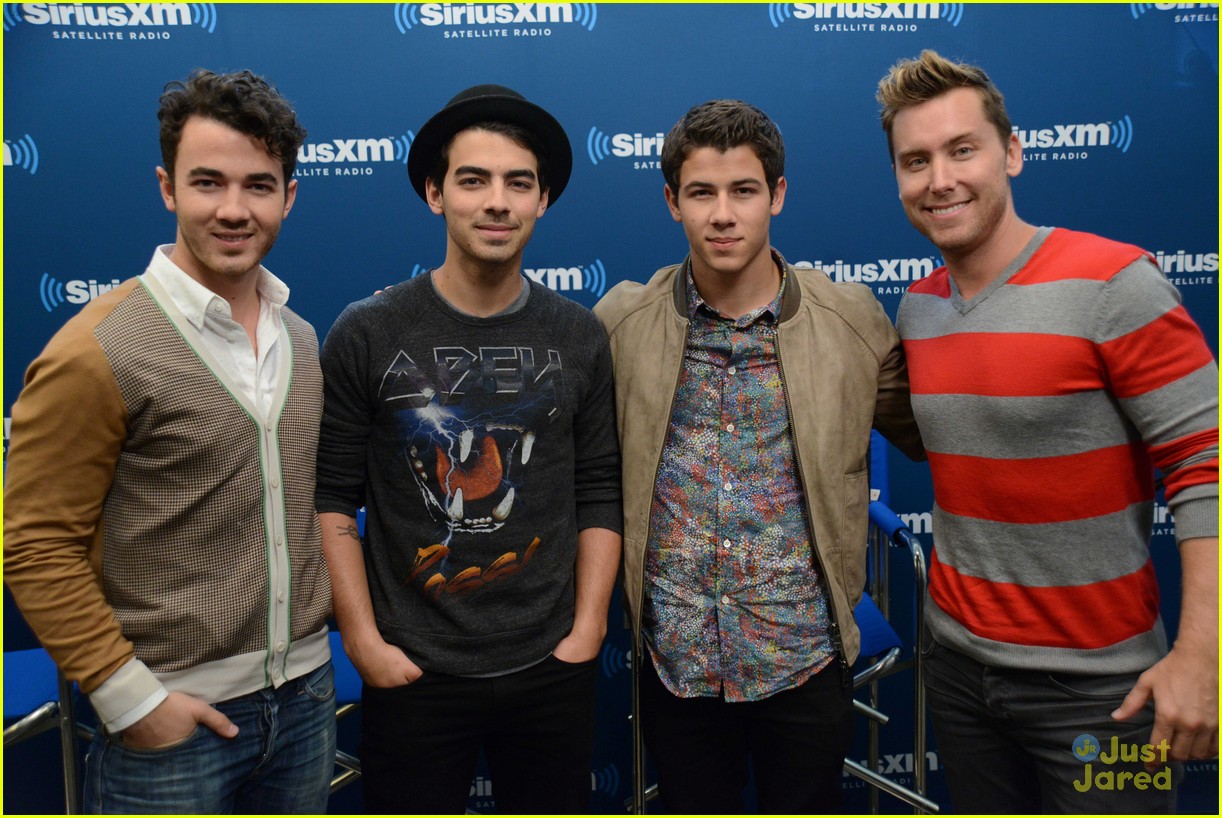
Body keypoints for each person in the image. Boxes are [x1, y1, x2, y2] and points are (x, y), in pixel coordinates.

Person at [876, 50, 1219, 813]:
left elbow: (1208, 463)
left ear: (1013, 152)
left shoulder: (1115, 284)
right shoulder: (917, 309)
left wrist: (1204, 654)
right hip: (959, 672)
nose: (940, 179)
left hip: (1102, 695)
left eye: (962, 150)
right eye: (916, 161)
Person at [3, 69, 335, 813]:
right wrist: (131, 701)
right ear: (167, 189)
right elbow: (34, 543)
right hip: (172, 724)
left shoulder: (300, 338)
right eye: (208, 182)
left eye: (258, 186)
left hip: (307, 702)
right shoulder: (99, 348)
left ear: (288, 196)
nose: (233, 209)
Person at [593, 99, 923, 813]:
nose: (723, 215)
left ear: (776, 194)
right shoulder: (620, 323)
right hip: (677, 657)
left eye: (743, 190)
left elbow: (936, 433)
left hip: (804, 652)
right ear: (672, 202)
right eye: (701, 193)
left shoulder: (851, 320)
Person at [315, 84, 622, 814]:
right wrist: (363, 642)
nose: (497, 202)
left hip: (550, 661)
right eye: (473, 180)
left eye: (518, 183)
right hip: (413, 667)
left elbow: (599, 489)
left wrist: (588, 628)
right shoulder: (367, 332)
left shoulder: (579, 334)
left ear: (542, 199)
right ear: (435, 193)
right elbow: (330, 500)